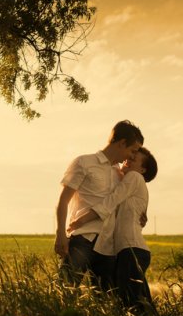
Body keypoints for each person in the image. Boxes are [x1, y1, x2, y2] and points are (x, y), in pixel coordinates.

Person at [54, 120, 144, 288]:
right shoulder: (84, 162)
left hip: (108, 247)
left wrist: (142, 213)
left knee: (106, 302)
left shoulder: (121, 174)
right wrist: (60, 234)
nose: (132, 156)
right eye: (132, 150)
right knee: (65, 290)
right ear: (122, 143)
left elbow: (123, 201)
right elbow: (63, 200)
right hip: (82, 239)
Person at [68, 147, 158, 315]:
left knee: (130, 304)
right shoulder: (127, 180)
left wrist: (83, 219)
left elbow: (111, 201)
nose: (127, 160)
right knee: (140, 303)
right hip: (130, 250)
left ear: (142, 169)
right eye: (129, 156)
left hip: (132, 250)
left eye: (133, 159)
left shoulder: (134, 177)